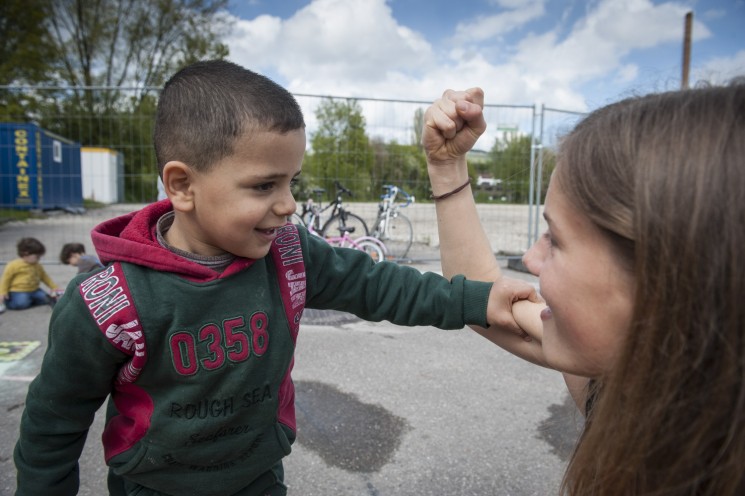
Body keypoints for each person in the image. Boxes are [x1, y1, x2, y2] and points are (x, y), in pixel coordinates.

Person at [14, 60, 535, 496]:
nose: (287, 206)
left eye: (291, 182)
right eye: (264, 185)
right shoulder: (108, 301)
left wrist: (476, 300)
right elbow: (52, 422)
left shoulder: (288, 253)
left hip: (259, 479)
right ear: (183, 185)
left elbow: (380, 286)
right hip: (154, 488)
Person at [423, 83, 745, 495]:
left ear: (663, 282)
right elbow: (481, 295)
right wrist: (447, 166)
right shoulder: (623, 380)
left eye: (554, 240)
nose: (531, 259)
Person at [0, 237, 61, 312]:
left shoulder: (37, 265)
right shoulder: (13, 265)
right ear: (26, 253)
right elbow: (6, 279)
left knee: (47, 299)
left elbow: (45, 277)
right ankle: (8, 302)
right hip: (18, 291)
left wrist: (54, 287)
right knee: (21, 304)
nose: (39, 259)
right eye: (37, 257)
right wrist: (3, 292)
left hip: (34, 290)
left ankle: (30, 300)